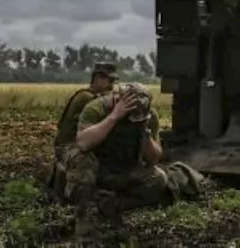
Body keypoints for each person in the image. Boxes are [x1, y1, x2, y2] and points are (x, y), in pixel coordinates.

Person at [61, 82, 175, 231]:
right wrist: (114, 117)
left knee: (159, 180)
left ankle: (111, 203)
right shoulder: (97, 108)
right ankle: (85, 208)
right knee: (81, 160)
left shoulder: (149, 116)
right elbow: (83, 143)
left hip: (123, 166)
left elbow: (153, 159)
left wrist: (146, 136)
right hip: (96, 165)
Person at [46, 62, 118, 197]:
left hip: (79, 142)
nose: (111, 86)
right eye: (110, 81)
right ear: (98, 78)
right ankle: (72, 194)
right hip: (67, 145)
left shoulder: (91, 97)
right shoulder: (88, 98)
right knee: (85, 161)